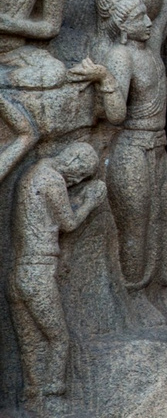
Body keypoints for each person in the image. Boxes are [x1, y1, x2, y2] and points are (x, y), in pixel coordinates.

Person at [72, 0, 167, 311]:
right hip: (132, 149)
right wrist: (105, 79)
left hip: (159, 147)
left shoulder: (150, 48)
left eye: (146, 16)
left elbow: (160, 10)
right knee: (138, 223)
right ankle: (136, 297)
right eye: (138, 18)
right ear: (122, 26)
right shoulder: (122, 56)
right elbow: (116, 115)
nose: (147, 22)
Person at [11, 143, 105, 398]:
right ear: (72, 158)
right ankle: (54, 390)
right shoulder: (52, 180)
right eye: (82, 172)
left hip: (19, 272)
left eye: (83, 178)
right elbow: (69, 223)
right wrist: (90, 201)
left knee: (31, 342)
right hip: (38, 273)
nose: (77, 179)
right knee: (58, 338)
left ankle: (33, 390)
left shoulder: (33, 171)